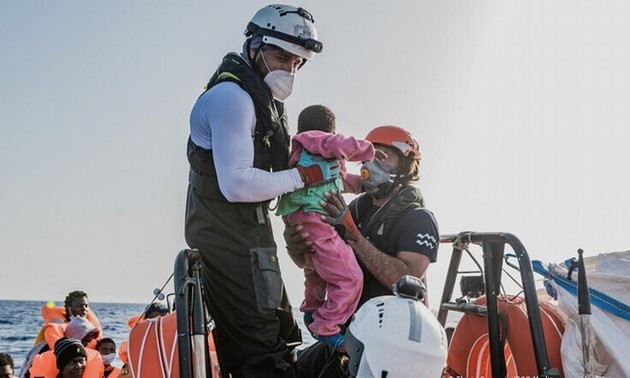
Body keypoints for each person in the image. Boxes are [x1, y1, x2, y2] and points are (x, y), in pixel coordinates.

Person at [184, 4, 332, 377]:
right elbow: (235, 184)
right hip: (224, 236)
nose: (289, 69)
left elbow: (272, 179)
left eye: (298, 62)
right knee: (258, 350)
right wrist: (305, 177)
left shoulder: (267, 101)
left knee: (281, 333)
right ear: (254, 46)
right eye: (282, 56)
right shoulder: (231, 98)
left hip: (252, 234)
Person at [285, 125, 440, 377]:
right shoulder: (356, 208)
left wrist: (353, 234)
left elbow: (405, 278)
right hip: (346, 338)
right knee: (288, 369)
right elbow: (315, 262)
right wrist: (295, 245)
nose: (371, 164)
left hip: (388, 348)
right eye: (368, 157)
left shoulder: (418, 219)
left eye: (382, 157)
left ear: (405, 166)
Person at [277, 105, 374, 352]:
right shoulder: (314, 140)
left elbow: (342, 182)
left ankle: (311, 311)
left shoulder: (315, 158)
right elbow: (341, 144)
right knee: (350, 277)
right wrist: (368, 151)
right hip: (314, 218)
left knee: (317, 271)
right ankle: (327, 326)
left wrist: (363, 184)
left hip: (303, 219)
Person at [28, 318, 103, 378]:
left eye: (81, 361)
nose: (78, 366)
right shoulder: (44, 354)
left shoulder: (93, 358)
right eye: (72, 362)